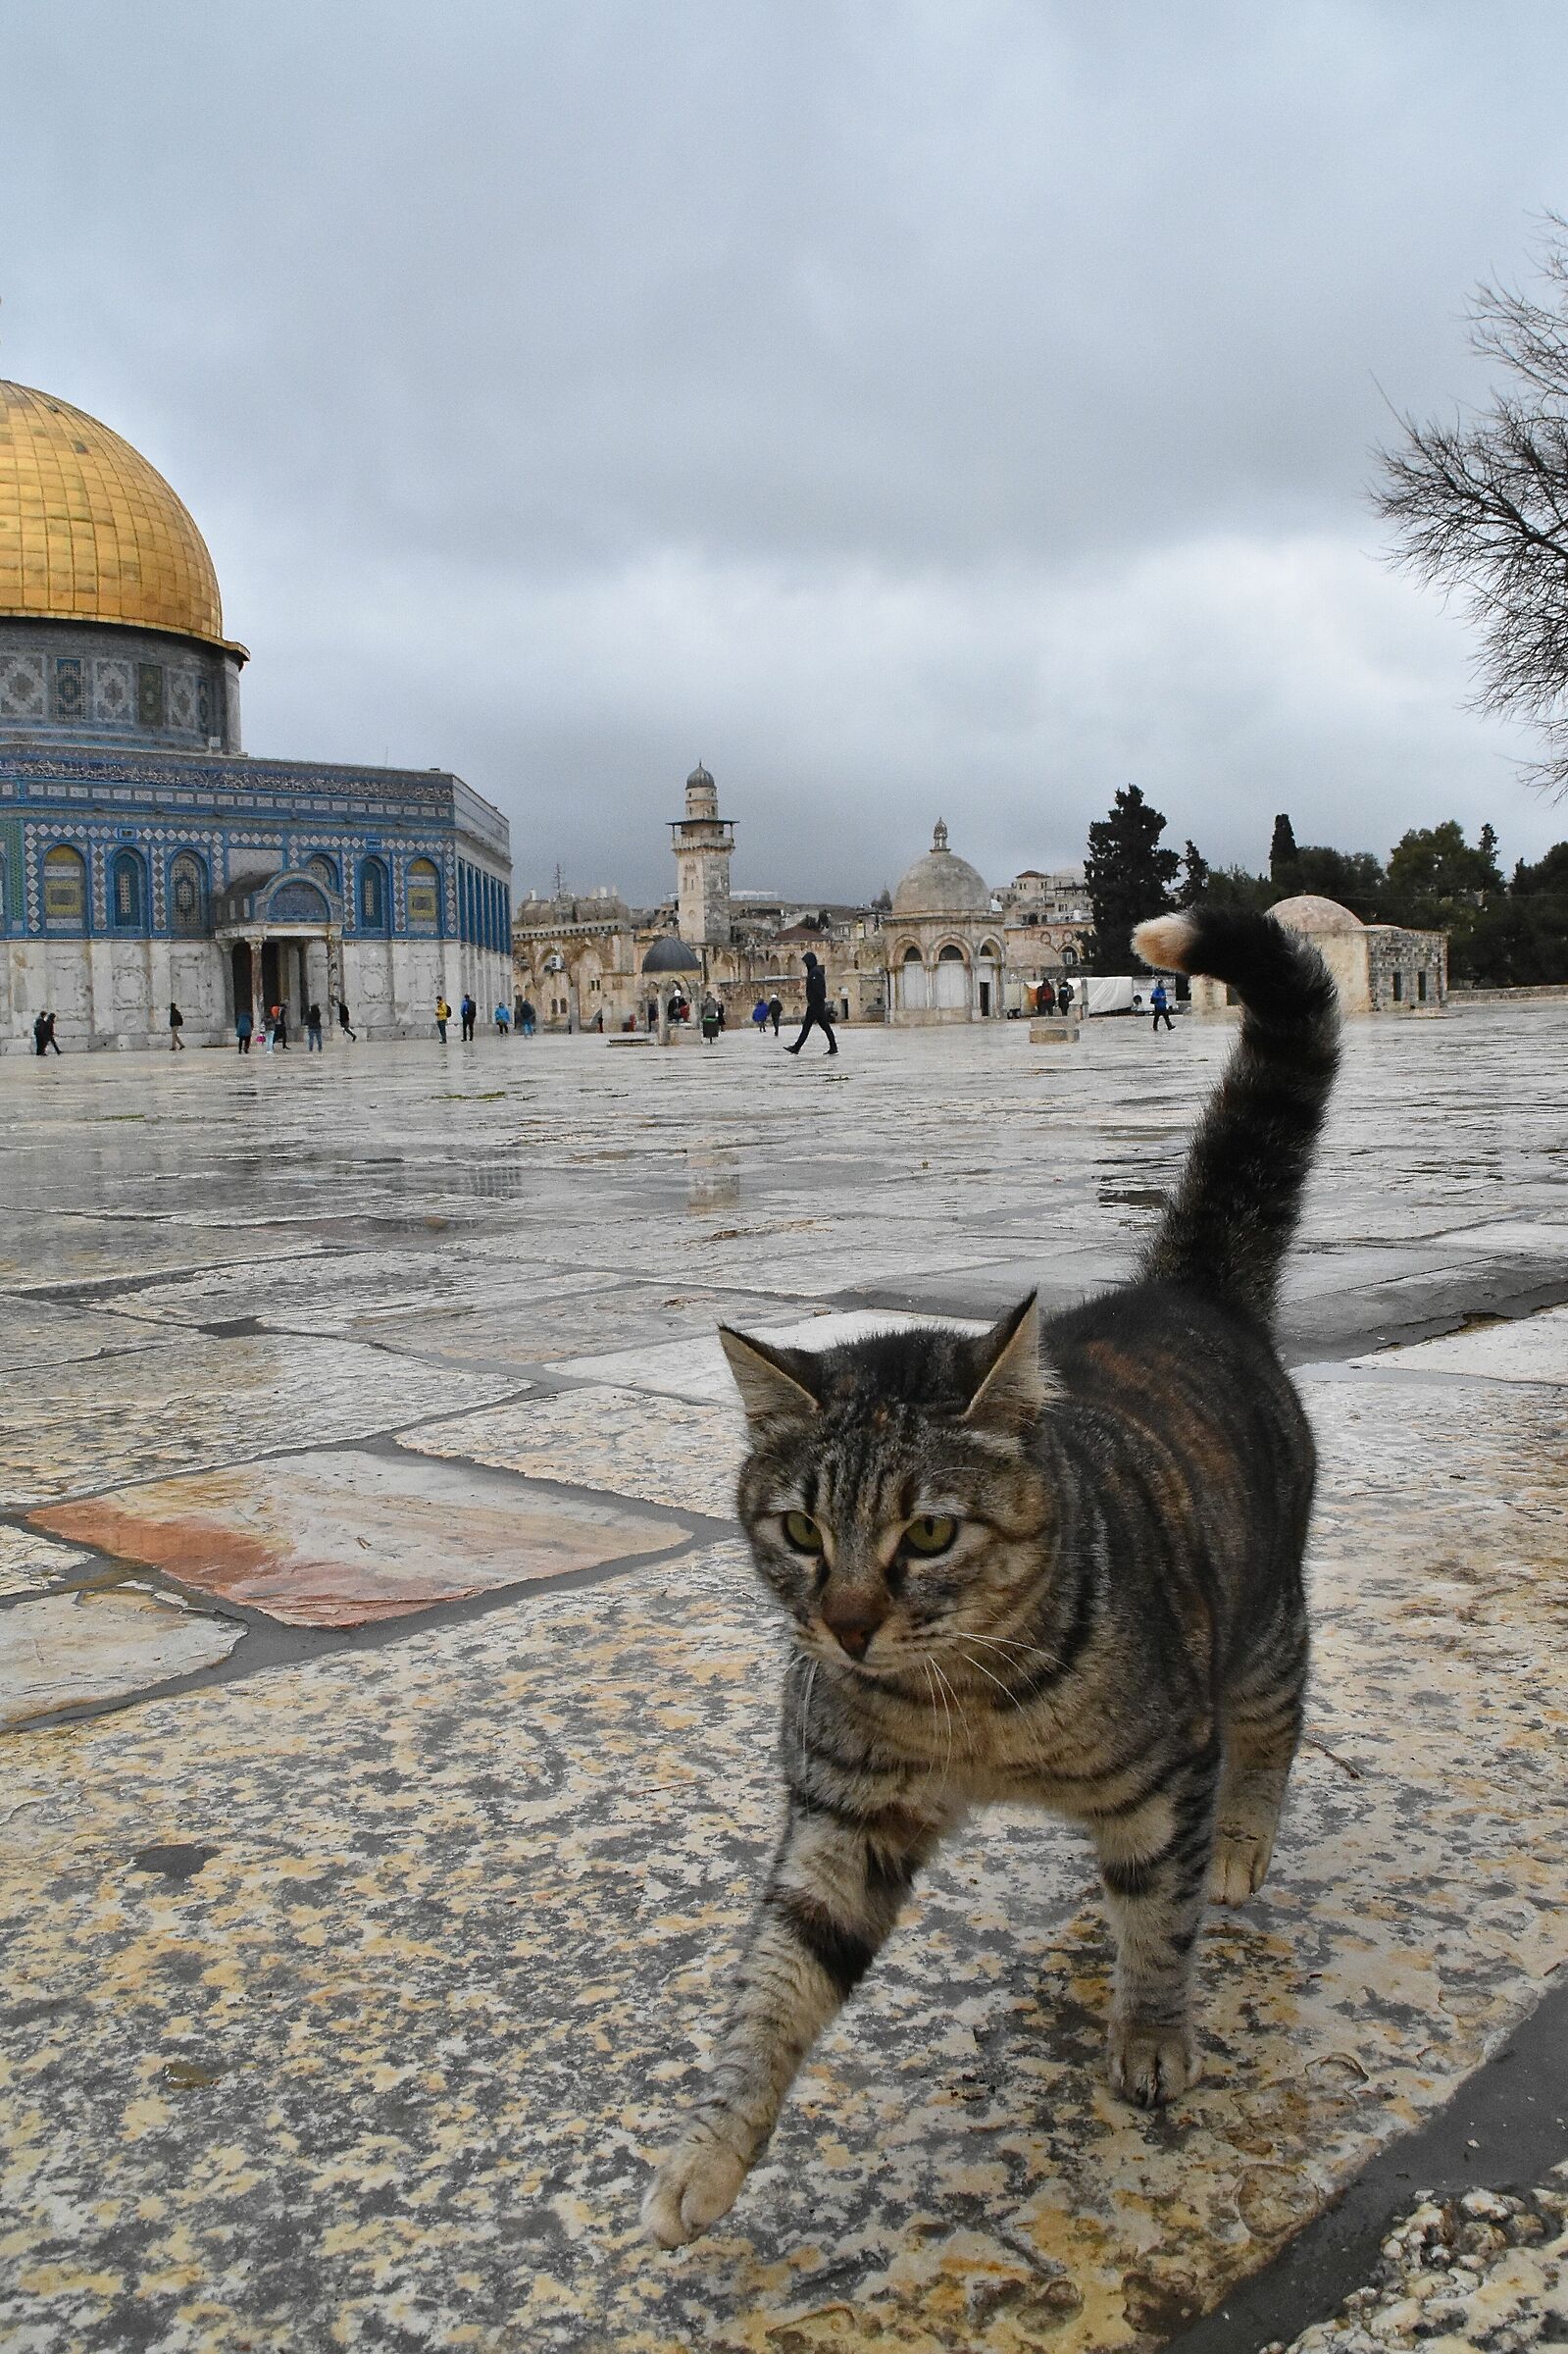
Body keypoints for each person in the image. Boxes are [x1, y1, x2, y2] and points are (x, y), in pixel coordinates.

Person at [786, 951, 837, 1056]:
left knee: (807, 1027)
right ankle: (833, 1046)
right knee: (824, 1026)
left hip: (816, 1005)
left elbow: (818, 989)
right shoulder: (814, 972)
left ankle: (797, 1047)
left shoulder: (815, 973)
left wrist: (814, 1002)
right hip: (816, 1004)